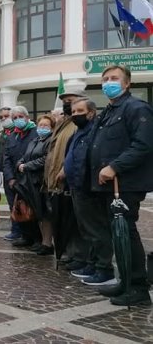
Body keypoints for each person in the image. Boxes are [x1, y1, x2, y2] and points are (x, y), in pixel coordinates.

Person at [88, 65, 153, 306]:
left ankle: (138, 288)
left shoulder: (136, 108)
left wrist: (114, 166)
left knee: (127, 233)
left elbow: (143, 145)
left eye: (114, 78)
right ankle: (126, 281)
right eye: (105, 79)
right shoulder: (110, 111)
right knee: (118, 234)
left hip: (125, 183)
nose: (108, 82)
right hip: (109, 185)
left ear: (127, 84)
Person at [64, 98, 114, 285]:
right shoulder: (79, 132)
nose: (75, 114)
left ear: (91, 113)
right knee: (86, 230)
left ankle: (104, 269)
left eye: (79, 111)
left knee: (97, 230)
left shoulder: (95, 131)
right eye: (73, 111)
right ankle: (92, 264)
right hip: (77, 187)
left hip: (89, 188)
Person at [44, 88, 87, 266]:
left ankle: (80, 257)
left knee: (76, 223)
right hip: (58, 182)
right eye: (65, 101)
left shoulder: (80, 123)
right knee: (65, 221)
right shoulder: (64, 123)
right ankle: (70, 254)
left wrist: (65, 169)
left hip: (72, 180)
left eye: (71, 100)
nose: (68, 104)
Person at [16, 114, 55, 255]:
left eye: (46, 125)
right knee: (38, 213)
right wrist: (20, 163)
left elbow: (46, 159)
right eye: (40, 125)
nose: (42, 128)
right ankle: (42, 241)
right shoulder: (34, 140)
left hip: (42, 181)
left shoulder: (51, 141)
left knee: (45, 214)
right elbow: (25, 155)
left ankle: (47, 243)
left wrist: (27, 165)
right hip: (30, 183)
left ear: (52, 127)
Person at [3, 106, 38, 244]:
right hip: (14, 180)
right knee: (18, 209)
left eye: (20, 117)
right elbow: (6, 159)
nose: (18, 120)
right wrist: (10, 178)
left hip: (30, 178)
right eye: (15, 118)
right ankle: (25, 236)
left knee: (32, 210)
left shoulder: (35, 133)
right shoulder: (12, 136)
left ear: (27, 117)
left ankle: (37, 238)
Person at [0, 107, 20, 241]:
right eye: (1, 117)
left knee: (19, 204)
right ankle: (15, 230)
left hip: (16, 173)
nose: (4, 119)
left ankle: (19, 231)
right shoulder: (1, 134)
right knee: (12, 204)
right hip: (5, 173)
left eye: (6, 116)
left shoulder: (17, 133)